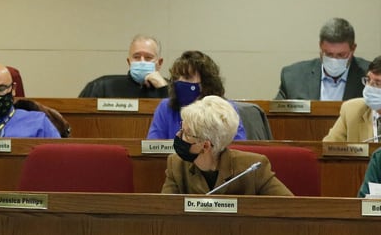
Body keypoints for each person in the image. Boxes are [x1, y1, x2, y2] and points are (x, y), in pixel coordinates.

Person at [161, 96, 292, 195]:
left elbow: (290, 208)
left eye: (186, 133)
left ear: (205, 146)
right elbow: (164, 214)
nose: (178, 135)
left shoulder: (253, 169)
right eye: (181, 128)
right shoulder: (176, 165)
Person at [147, 50, 246, 139]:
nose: (180, 82)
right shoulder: (165, 107)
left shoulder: (225, 110)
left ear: (205, 83)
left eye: (187, 77)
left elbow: (236, 148)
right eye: (177, 77)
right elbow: (152, 147)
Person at [276, 17, 370, 100]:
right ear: (320, 47)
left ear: (353, 49)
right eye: (329, 54)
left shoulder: (372, 76)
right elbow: (276, 116)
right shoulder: (293, 77)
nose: (334, 60)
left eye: (341, 55)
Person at [78, 34, 168, 98]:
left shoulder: (173, 90)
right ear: (129, 62)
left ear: (159, 63)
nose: (142, 61)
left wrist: (164, 88)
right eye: (136, 57)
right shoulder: (101, 87)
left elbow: (180, 120)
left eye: (148, 57)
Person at [323, 56, 381, 143]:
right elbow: (328, 148)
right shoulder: (352, 110)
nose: (369, 87)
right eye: (368, 80)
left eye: (378, 83)